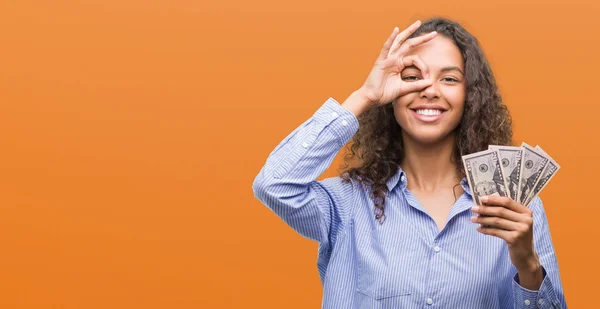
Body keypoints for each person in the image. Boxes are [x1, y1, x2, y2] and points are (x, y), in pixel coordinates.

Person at [252, 17, 567, 309]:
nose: (429, 90)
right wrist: (365, 95)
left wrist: (527, 263)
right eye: (413, 77)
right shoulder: (347, 203)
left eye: (449, 78)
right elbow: (274, 185)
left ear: (470, 95)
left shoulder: (514, 209)